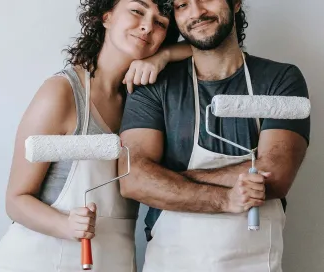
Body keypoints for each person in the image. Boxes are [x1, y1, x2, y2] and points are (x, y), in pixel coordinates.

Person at [0, 0, 193, 271]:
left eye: (160, 23)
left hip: (115, 261)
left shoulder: (145, 101)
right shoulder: (61, 93)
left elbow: (206, 45)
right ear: (106, 16)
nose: (147, 26)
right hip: (43, 259)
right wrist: (65, 225)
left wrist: (164, 57)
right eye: (137, 10)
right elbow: (15, 200)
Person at [117, 0, 310, 271]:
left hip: (255, 262)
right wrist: (226, 199)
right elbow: (134, 179)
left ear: (236, 3)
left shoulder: (280, 79)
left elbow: (275, 176)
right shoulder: (154, 85)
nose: (196, 12)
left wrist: (168, 180)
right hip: (172, 261)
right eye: (182, 5)